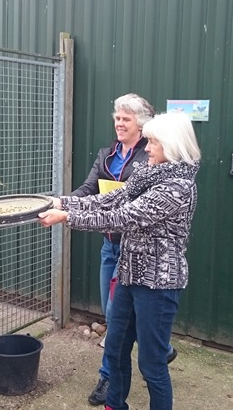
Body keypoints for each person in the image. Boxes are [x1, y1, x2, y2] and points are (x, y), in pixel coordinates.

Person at [39, 111, 201, 410]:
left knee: (152, 365)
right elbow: (110, 200)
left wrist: (67, 217)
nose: (148, 148)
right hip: (128, 276)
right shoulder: (146, 174)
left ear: (172, 145)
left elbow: (124, 217)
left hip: (158, 285)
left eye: (153, 142)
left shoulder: (178, 187)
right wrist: (60, 201)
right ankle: (114, 405)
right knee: (114, 350)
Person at [66, 93, 156, 406]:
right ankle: (159, 346)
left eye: (125, 119)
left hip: (135, 248)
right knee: (110, 310)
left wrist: (68, 213)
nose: (119, 123)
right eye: (117, 118)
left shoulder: (151, 157)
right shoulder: (107, 155)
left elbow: (136, 202)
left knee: (117, 321)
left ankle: (108, 377)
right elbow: (88, 190)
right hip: (110, 245)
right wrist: (63, 202)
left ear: (140, 124)